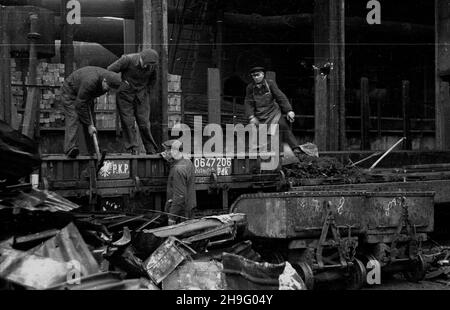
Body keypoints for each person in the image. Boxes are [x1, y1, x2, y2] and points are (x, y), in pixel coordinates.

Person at [61, 66, 122, 158]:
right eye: (108, 87)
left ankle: (92, 149)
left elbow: (86, 97)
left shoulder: (106, 80)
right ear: (104, 81)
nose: (107, 90)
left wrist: (90, 124)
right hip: (70, 92)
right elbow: (80, 104)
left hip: (85, 94)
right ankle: (70, 148)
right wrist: (89, 125)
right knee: (74, 117)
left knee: (90, 121)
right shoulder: (90, 81)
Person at [107, 48, 160, 155]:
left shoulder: (152, 65)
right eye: (145, 65)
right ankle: (133, 148)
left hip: (141, 95)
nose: (147, 67)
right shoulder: (127, 59)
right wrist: (120, 84)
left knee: (144, 123)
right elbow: (109, 70)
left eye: (149, 66)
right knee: (128, 122)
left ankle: (150, 148)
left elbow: (153, 80)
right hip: (125, 95)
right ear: (141, 59)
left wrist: (146, 91)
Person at [244, 66, 301, 155]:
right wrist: (251, 116)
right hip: (260, 114)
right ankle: (260, 150)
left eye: (257, 75)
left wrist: (289, 110)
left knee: (283, 126)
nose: (255, 77)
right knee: (258, 130)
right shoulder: (250, 88)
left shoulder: (270, 84)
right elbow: (248, 102)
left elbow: (280, 97)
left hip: (273, 112)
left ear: (263, 74)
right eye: (253, 76)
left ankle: (295, 147)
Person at [160, 139, 196, 225]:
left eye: (167, 150)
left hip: (180, 214)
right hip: (187, 208)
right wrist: (170, 160)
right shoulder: (187, 162)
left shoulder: (177, 170)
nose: (164, 152)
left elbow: (180, 196)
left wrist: (172, 217)